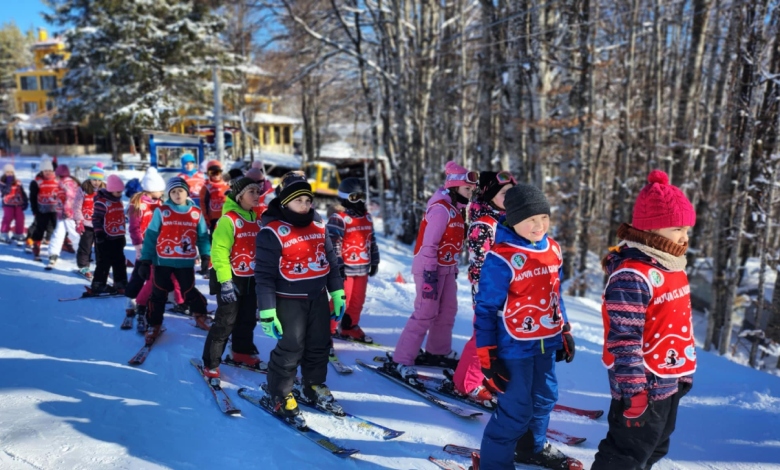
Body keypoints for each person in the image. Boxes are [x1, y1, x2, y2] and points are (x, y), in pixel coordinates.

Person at [592, 170, 696, 470]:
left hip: (668, 380)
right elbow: (624, 338)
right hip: (641, 386)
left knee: (656, 445)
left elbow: (680, 325)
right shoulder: (632, 275)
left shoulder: (672, 267)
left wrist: (684, 373)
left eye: (687, 228)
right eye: (678, 228)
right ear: (653, 228)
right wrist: (634, 390)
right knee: (624, 454)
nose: (684, 236)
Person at [474, 183, 576, 470]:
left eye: (543, 217)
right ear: (514, 218)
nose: (538, 225)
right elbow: (485, 308)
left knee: (545, 397)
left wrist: (564, 329)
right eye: (530, 219)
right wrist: (487, 353)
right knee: (516, 409)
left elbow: (554, 293)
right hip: (513, 347)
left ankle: (530, 448)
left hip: (546, 340)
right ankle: (493, 464)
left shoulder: (553, 249)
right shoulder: (500, 257)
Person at [254, 172, 345, 420]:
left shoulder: (318, 225)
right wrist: (267, 311)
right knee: (291, 347)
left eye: (308, 200)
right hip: (288, 300)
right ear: (285, 203)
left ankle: (313, 385)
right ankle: (279, 393)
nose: (305, 205)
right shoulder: (271, 231)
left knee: (319, 343)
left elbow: (331, 262)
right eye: (299, 201)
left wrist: (337, 292)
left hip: (317, 296)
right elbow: (263, 276)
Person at [387, 161, 476, 379]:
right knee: (425, 312)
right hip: (430, 270)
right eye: (467, 189)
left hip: (447, 270)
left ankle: (438, 351)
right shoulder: (440, 209)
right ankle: (402, 359)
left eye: (472, 190)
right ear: (454, 187)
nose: (470, 194)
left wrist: (452, 269)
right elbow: (430, 245)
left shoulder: (456, 210)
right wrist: (429, 274)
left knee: (447, 311)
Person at [451, 170, 515, 404]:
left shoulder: (505, 219)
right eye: (504, 192)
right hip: (488, 289)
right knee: (483, 335)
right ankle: (466, 384)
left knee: (497, 336)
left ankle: (482, 376)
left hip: (506, 289)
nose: (509, 197)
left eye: (511, 191)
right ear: (490, 195)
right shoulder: (484, 224)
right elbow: (483, 261)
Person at [201, 177, 264, 384]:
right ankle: (210, 363)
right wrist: (226, 283)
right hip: (230, 277)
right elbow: (219, 252)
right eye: (251, 192)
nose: (256, 195)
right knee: (225, 321)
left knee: (247, 319)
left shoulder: (257, 218)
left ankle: (241, 351)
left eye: (258, 191)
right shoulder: (228, 220)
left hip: (250, 278)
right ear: (239, 196)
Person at [137, 177, 212, 344]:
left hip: (185, 262)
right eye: (174, 191)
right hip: (162, 261)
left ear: (187, 192)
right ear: (169, 194)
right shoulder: (162, 211)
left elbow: (202, 236)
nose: (178, 194)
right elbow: (151, 236)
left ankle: (200, 315)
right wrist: (145, 260)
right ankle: (154, 324)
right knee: (158, 294)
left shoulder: (195, 212)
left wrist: (206, 256)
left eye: (181, 190)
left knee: (189, 291)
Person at [124, 167, 186, 328]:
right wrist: (138, 246)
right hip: (146, 247)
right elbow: (134, 228)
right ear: (153, 189)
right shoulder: (138, 205)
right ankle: (137, 302)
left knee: (162, 275)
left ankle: (175, 301)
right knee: (145, 276)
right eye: (160, 190)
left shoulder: (159, 203)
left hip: (161, 246)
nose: (162, 193)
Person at [326, 177, 380, 342]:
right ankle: (328, 327)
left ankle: (349, 327)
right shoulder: (339, 218)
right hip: (346, 269)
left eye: (362, 196)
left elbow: (371, 240)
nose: (360, 201)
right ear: (344, 198)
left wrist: (375, 260)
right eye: (354, 197)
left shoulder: (367, 217)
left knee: (358, 299)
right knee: (343, 299)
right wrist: (338, 265)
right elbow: (333, 244)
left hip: (362, 268)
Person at [90, 175, 129, 294]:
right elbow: (96, 219)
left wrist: (122, 236)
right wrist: (99, 234)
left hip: (118, 237)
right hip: (105, 238)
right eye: (118, 191)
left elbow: (121, 217)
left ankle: (120, 282)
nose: (120, 194)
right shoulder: (102, 203)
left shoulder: (119, 202)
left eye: (121, 191)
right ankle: (98, 284)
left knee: (120, 261)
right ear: (111, 190)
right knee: (104, 262)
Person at [46, 165, 82, 269]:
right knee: (59, 232)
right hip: (62, 213)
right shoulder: (63, 182)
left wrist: (67, 210)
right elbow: (60, 195)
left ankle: (82, 253)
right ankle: (53, 252)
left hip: (68, 213)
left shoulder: (67, 182)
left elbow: (71, 197)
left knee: (73, 233)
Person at [74, 164, 106, 279]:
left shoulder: (105, 190)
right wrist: (79, 221)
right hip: (87, 224)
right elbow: (77, 206)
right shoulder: (83, 189)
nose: (96, 182)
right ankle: (83, 266)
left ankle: (101, 267)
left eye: (98, 180)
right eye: (94, 179)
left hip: (101, 225)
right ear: (90, 178)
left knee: (101, 248)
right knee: (85, 246)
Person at [29, 156, 59, 261]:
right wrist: (35, 210)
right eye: (45, 170)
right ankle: (37, 243)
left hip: (56, 208)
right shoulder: (37, 182)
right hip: (42, 209)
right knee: (40, 227)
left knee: (57, 226)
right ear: (41, 171)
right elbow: (32, 197)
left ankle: (59, 242)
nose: (48, 172)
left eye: (50, 170)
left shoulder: (57, 179)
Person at [199, 160, 230, 236]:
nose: (215, 175)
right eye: (212, 173)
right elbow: (203, 203)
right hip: (214, 219)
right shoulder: (207, 187)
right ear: (208, 174)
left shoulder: (227, 185)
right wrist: (206, 219)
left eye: (217, 172)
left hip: (227, 217)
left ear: (221, 173)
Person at [0, 163, 28, 244]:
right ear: (4, 173)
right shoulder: (2, 183)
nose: (10, 174)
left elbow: (22, 192)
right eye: (7, 172)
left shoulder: (18, 182)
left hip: (18, 203)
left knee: (20, 218)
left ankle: (18, 233)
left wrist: (25, 201)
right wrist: (8, 182)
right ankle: (4, 233)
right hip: (8, 204)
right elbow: (6, 191)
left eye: (11, 172)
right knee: (8, 218)